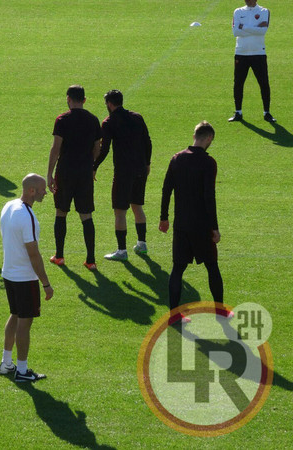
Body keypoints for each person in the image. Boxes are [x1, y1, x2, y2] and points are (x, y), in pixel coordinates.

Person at [159, 121, 234, 324]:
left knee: (177, 269)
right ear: (208, 138)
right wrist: (215, 228)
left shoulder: (176, 159)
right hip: (201, 225)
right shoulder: (208, 163)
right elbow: (209, 197)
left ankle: (174, 316)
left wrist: (163, 217)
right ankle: (220, 311)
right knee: (212, 266)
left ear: (195, 136)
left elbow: (167, 189)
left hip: (181, 223)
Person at [0, 173, 54, 382]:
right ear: (31, 191)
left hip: (9, 273)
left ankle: (6, 364)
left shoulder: (8, 206)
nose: (45, 192)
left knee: (14, 315)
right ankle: (21, 371)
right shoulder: (28, 216)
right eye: (42, 189)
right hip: (24, 278)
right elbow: (34, 254)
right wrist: (46, 284)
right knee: (24, 322)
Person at [93, 89, 152, 261]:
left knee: (120, 211)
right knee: (137, 206)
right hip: (140, 169)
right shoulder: (137, 117)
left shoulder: (109, 122)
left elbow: (104, 149)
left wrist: (94, 166)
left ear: (110, 104)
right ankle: (142, 244)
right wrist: (147, 163)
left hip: (123, 172)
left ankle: (121, 250)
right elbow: (147, 142)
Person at [47, 85, 101, 271]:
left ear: (68, 99)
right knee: (86, 214)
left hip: (66, 171)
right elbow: (97, 148)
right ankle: (91, 259)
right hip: (84, 172)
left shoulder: (62, 119)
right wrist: (90, 165)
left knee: (61, 211)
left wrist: (49, 173)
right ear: (84, 100)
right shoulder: (93, 120)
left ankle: (60, 255)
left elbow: (55, 148)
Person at [229, 0, 276, 123]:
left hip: (259, 53)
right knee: (238, 83)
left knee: (264, 83)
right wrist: (255, 28)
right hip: (241, 53)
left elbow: (263, 31)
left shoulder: (264, 11)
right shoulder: (238, 11)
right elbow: (235, 32)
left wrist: (243, 26)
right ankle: (238, 112)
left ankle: (267, 113)